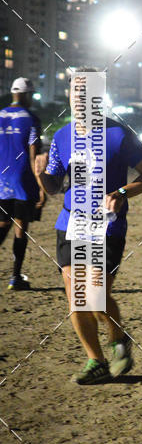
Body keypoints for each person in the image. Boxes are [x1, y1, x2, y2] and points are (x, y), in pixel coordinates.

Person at [35, 67, 142, 385]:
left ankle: (119, 338)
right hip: (70, 222)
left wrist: (121, 192)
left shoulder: (119, 134)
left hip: (107, 225)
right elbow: (53, 187)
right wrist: (40, 173)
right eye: (75, 92)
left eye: (87, 93)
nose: (79, 99)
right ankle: (96, 361)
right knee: (76, 295)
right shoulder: (62, 136)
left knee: (94, 294)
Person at [0, 77, 45, 290]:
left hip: (1, 180)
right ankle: (15, 277)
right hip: (22, 180)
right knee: (20, 227)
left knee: (2, 224)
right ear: (26, 95)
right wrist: (42, 186)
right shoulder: (31, 119)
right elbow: (34, 157)